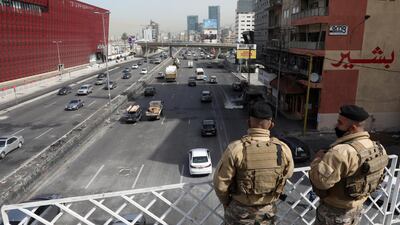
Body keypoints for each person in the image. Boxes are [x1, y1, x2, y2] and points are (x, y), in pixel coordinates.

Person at [213, 101, 294, 225]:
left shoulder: (236, 148)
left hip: (240, 212)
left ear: (248, 122)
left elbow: (220, 184)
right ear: (271, 125)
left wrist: (227, 203)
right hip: (267, 212)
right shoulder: (283, 149)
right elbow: (288, 174)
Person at [309, 105, 388, 225]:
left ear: (352, 128)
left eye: (340, 123)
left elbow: (320, 182)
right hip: (357, 210)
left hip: (334, 214)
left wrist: (317, 159)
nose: (336, 126)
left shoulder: (341, 152)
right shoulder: (378, 148)